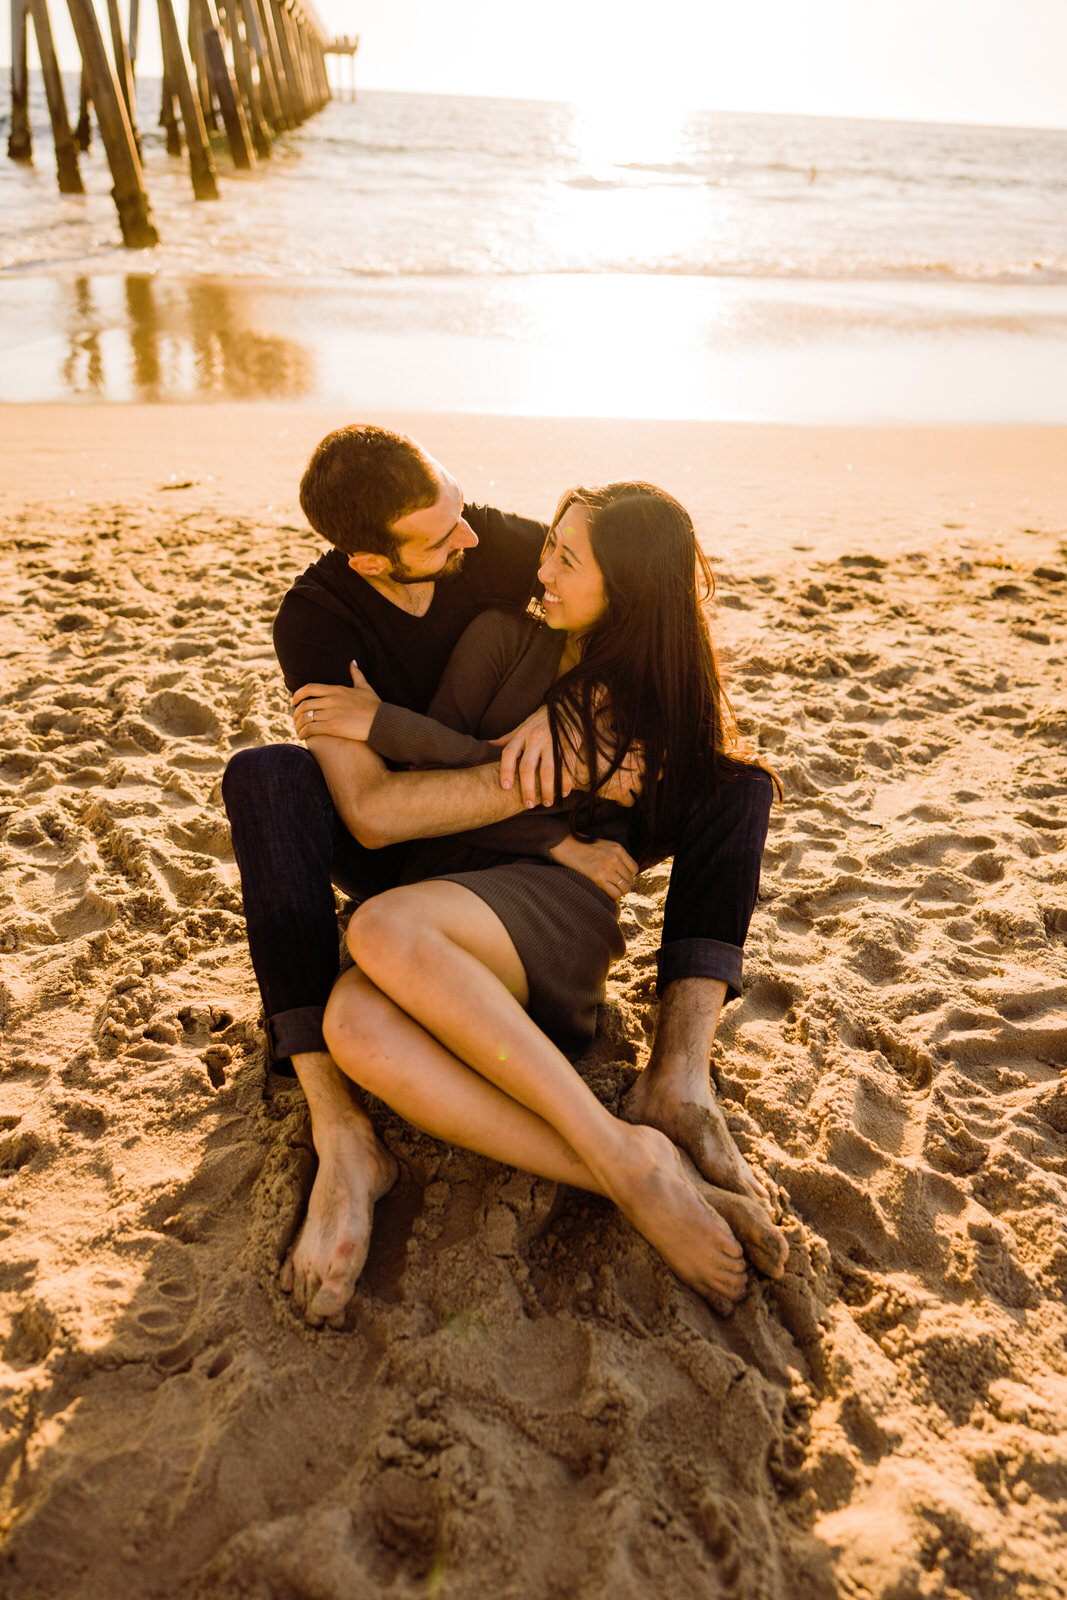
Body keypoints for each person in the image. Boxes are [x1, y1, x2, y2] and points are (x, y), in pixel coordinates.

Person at [222, 426, 775, 1325]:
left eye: (463, 510)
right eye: (442, 539)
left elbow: (639, 573)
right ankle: (608, 1162)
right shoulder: (332, 620)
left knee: (742, 784)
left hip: (527, 907)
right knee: (348, 1006)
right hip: (425, 854)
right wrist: (544, 804)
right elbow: (376, 810)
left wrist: (581, 764)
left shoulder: (502, 550)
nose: (482, 545)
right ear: (372, 557)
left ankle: (675, 1081)